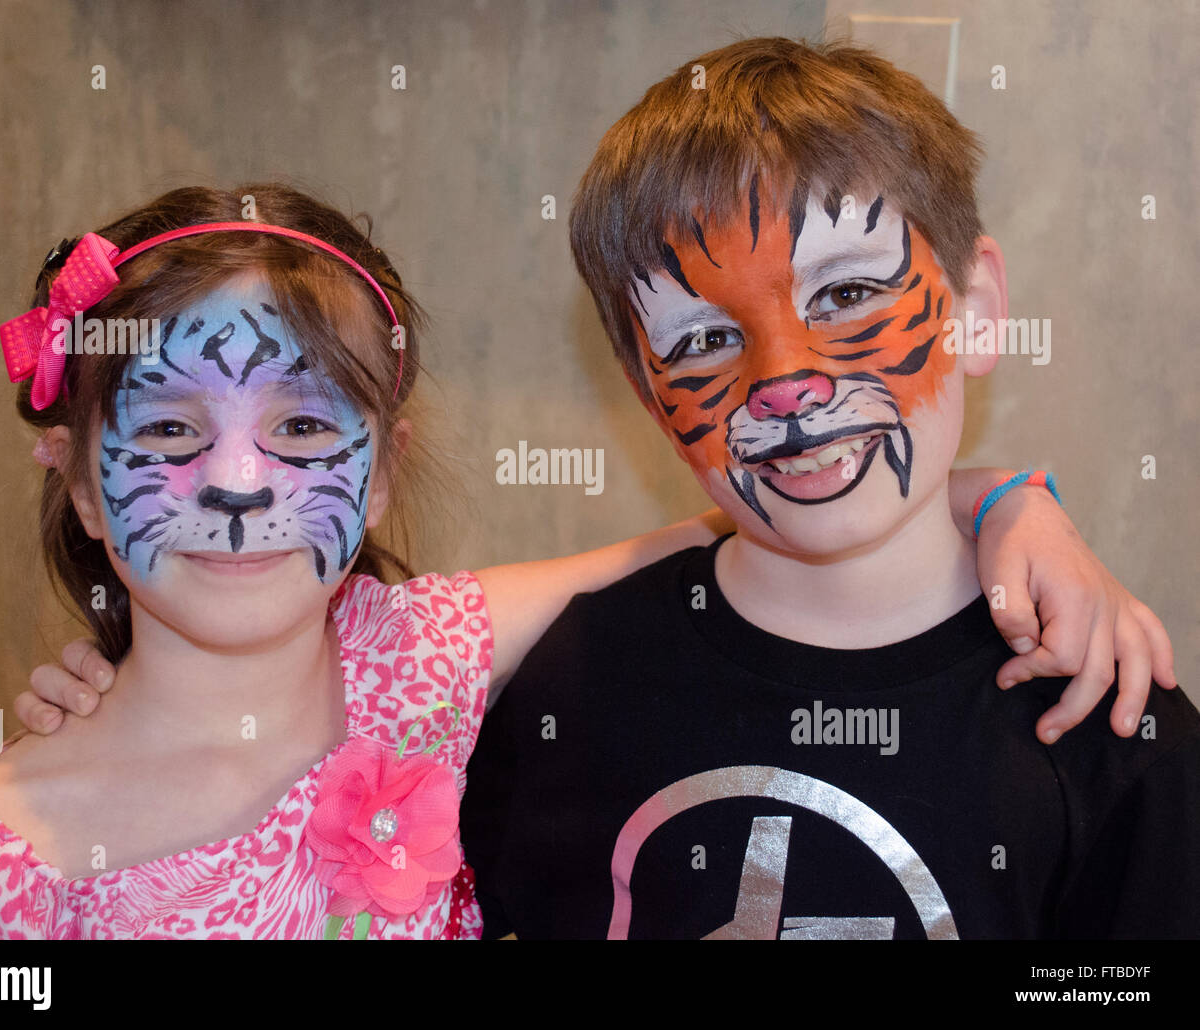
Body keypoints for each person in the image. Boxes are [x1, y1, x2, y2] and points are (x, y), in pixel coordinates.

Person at [457, 37, 1200, 939]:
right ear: (649, 395)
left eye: (846, 294)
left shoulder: (1102, 708)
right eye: (701, 340)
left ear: (977, 312)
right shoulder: (567, 691)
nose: (786, 379)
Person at [0, 184, 754, 939]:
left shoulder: (419, 655)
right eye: (168, 429)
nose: (237, 484)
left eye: (302, 427)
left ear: (381, 474)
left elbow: (727, 525)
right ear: (83, 484)